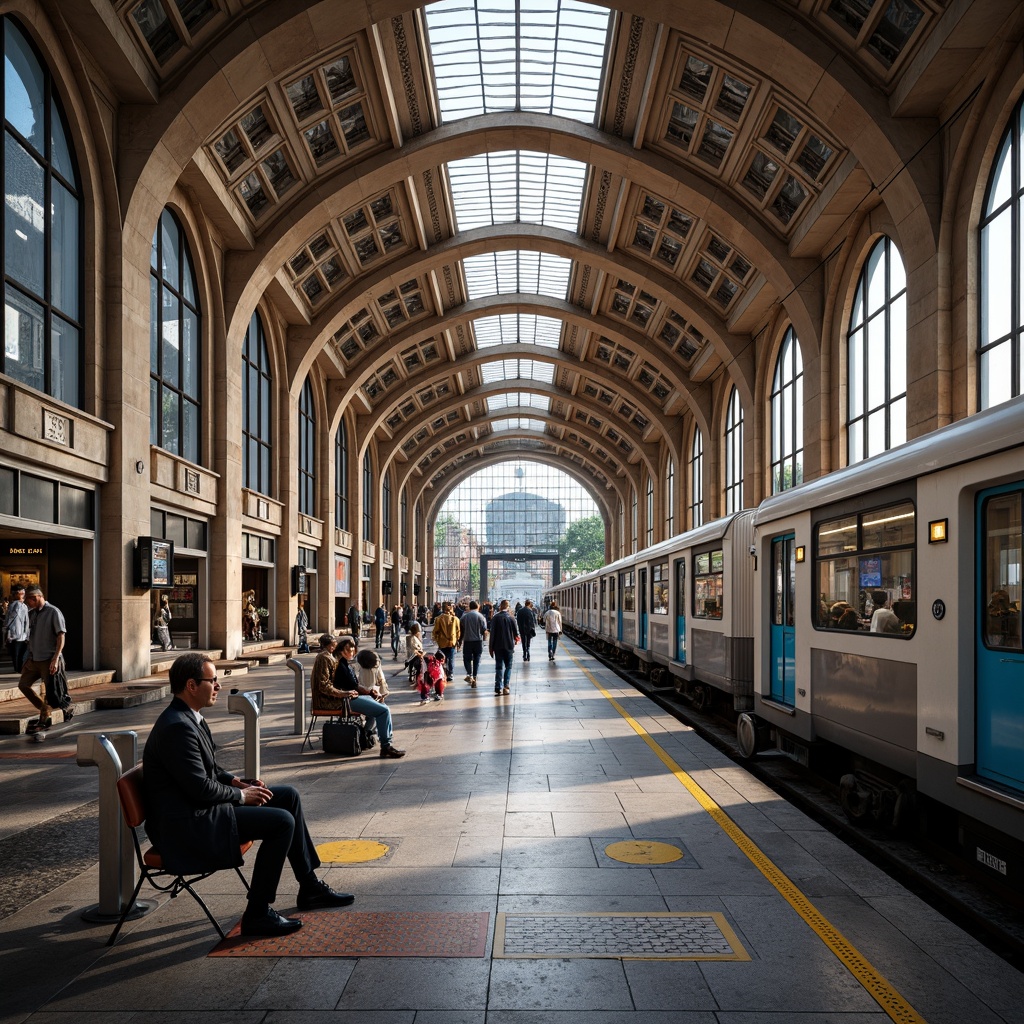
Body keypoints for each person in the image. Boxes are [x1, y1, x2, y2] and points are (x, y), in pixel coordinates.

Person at [143, 652, 354, 937]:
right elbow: (200, 788)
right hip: (187, 824)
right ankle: (257, 913)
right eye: (212, 680)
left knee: (288, 796)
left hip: (198, 809)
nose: (218, 685)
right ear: (191, 685)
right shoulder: (177, 727)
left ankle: (309, 886)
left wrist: (237, 782)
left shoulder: (189, 717)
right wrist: (242, 797)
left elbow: (210, 769)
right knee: (281, 823)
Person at [331, 637, 406, 757]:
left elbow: (354, 685)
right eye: (349, 650)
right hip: (347, 700)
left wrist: (370, 692)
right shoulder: (341, 666)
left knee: (381, 706)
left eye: (352, 650)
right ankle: (386, 745)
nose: (352, 652)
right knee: (383, 711)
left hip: (351, 697)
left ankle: (366, 735)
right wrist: (369, 692)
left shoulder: (346, 664)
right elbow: (353, 686)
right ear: (341, 651)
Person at [19, 586, 71, 734]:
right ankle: (45, 710)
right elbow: (31, 637)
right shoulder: (32, 614)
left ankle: (45, 718)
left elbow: (61, 635)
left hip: (48, 658)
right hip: (34, 659)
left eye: (28, 600)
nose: (27, 604)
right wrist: (28, 658)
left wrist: (55, 658)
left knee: (50, 691)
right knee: (23, 685)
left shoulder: (53, 612)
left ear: (35, 598)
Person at [488, 599, 519, 695]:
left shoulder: (495, 618)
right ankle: (506, 686)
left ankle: (498, 686)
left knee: (499, 667)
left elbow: (492, 633)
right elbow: (516, 634)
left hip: (497, 646)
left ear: (500, 606)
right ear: (508, 607)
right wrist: (515, 640)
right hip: (509, 646)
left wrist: (491, 647)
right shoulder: (511, 618)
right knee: (508, 667)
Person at [460, 600, 488, 688]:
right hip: (477, 641)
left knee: (466, 658)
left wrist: (460, 640)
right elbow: (484, 629)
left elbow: (461, 628)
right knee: (477, 659)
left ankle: (469, 673)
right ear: (478, 607)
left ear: (470, 607)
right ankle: (475, 677)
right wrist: (484, 639)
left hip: (467, 640)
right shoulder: (481, 617)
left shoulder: (464, 617)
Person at [431, 601, 460, 681]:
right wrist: (457, 639)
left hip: (442, 642)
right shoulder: (455, 619)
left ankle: (442, 672)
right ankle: (450, 673)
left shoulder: (438, 619)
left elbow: (435, 631)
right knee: (451, 658)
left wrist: (437, 640)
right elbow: (458, 631)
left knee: (441, 658)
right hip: (452, 642)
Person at [4, 584, 29, 674]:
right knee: (18, 654)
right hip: (17, 635)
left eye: (23, 593)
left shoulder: (21, 605)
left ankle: (19, 669)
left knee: (18, 654)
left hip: (19, 634)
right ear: (16, 594)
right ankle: (19, 669)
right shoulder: (17, 605)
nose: (23, 594)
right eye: (21, 593)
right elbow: (10, 619)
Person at [404, 621, 424, 686]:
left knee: (411, 664)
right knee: (420, 665)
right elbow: (417, 648)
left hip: (410, 655)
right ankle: (418, 679)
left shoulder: (409, 637)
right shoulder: (414, 638)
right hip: (415, 655)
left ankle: (411, 675)